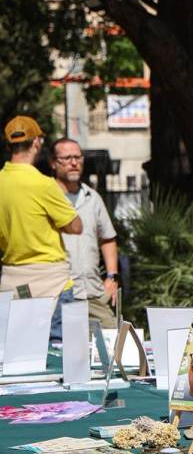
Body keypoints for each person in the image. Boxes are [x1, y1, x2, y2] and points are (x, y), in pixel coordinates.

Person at [0, 117, 82, 341]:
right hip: (51, 282)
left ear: (9, 145)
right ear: (37, 142)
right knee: (59, 353)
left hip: (12, 281)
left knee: (16, 356)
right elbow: (76, 226)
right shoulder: (44, 184)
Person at [49, 138, 120, 328]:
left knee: (111, 342)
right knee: (62, 352)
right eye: (66, 158)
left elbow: (108, 238)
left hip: (93, 292)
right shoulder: (45, 196)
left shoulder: (92, 197)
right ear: (53, 163)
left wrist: (112, 277)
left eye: (77, 157)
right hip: (60, 293)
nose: (74, 163)